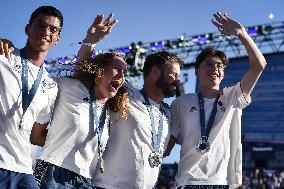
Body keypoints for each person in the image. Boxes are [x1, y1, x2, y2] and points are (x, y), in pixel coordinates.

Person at [165, 12, 267, 189]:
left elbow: (258, 65)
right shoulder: (180, 103)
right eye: (209, 64)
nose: (215, 69)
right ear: (197, 70)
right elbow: (169, 143)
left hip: (221, 183)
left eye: (220, 65)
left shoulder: (233, 97)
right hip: (187, 182)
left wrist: (242, 34)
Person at [33, 52, 128, 188]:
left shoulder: (109, 113)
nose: (121, 75)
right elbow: (36, 79)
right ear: (99, 70)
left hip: (85, 180)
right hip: (52, 171)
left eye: (124, 72)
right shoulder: (70, 86)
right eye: (117, 68)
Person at [0, 6, 63, 189]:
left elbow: (36, 136)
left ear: (57, 39)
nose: (45, 32)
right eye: (40, 25)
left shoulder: (51, 86)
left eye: (53, 29)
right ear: (27, 29)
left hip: (22, 168)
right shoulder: (4, 57)